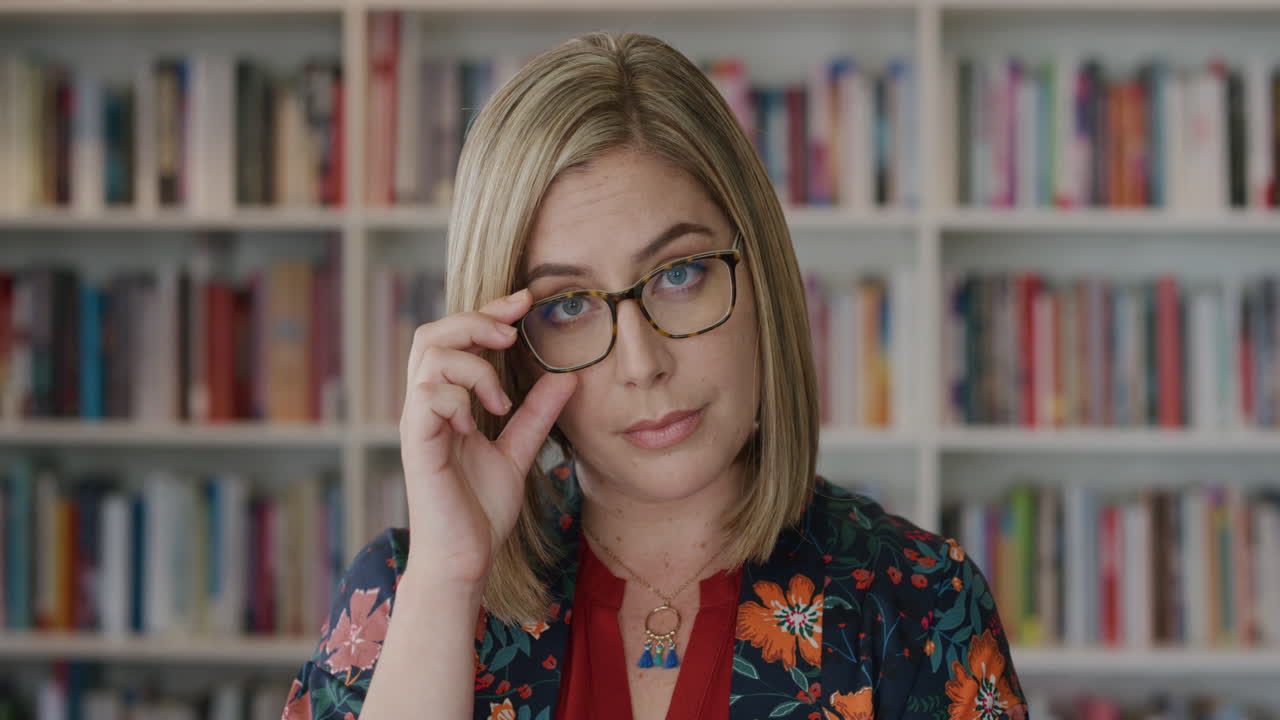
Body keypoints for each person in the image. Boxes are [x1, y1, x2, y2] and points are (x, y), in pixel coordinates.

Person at [280, 30, 1029, 720]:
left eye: (680, 273)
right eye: (568, 304)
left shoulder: (920, 598)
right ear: (505, 340)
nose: (642, 363)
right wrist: (447, 582)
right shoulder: (405, 590)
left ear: (759, 274)